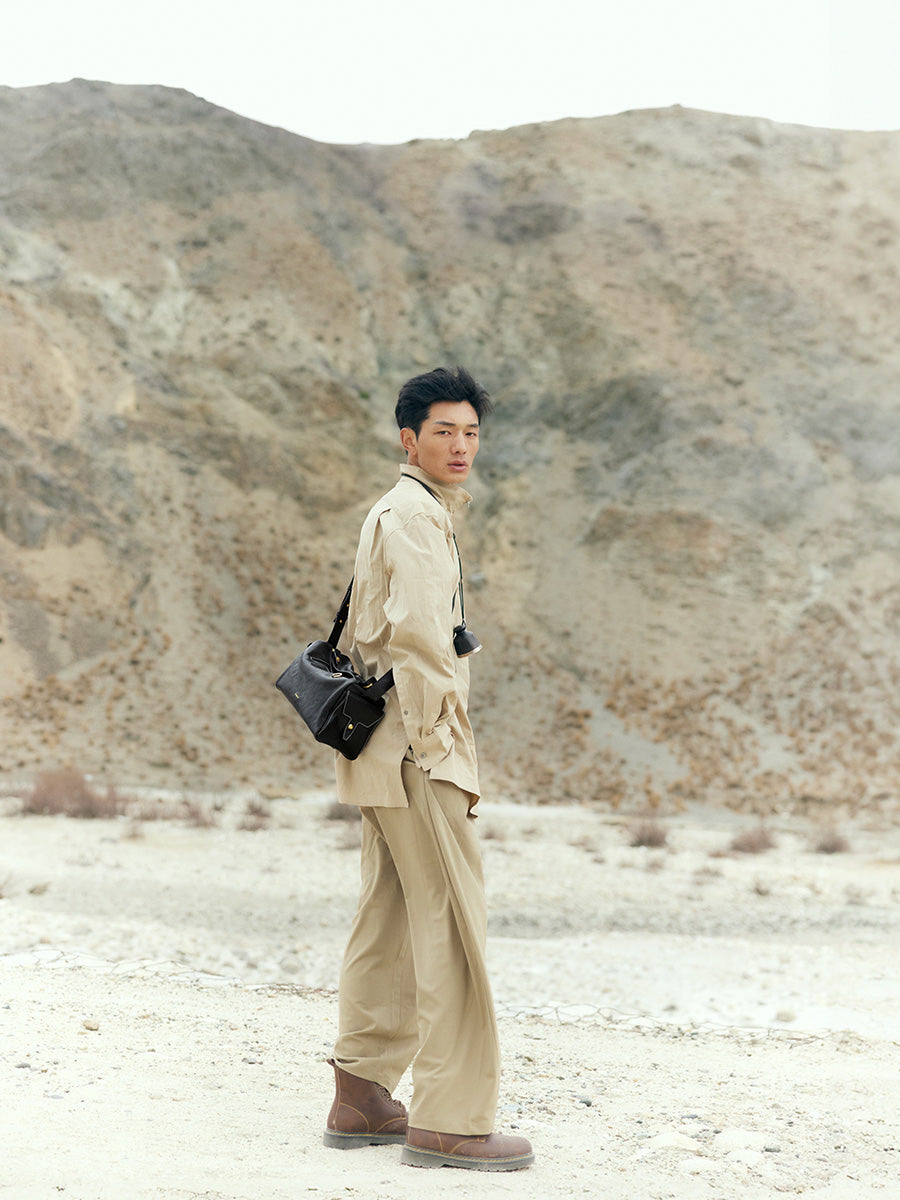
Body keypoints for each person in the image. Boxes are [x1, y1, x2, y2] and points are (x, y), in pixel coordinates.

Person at [322, 366, 534, 1171]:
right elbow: (418, 639)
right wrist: (447, 747)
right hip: (417, 745)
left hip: (382, 746)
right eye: (444, 431)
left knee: (390, 915)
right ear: (408, 438)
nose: (461, 446)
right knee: (450, 924)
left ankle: (361, 1094)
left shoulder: (403, 508)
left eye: (471, 432)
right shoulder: (415, 516)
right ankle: (450, 1119)